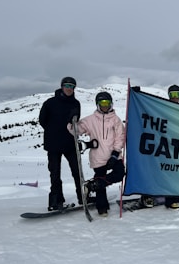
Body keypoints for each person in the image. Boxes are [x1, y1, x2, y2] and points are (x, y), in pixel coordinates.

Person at [68, 91, 125, 217]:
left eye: (107, 103)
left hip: (114, 156)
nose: (105, 105)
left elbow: (120, 137)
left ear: (111, 104)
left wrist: (115, 154)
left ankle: (91, 185)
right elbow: (76, 130)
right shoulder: (90, 120)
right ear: (97, 104)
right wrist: (71, 122)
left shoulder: (116, 120)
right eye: (102, 103)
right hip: (98, 157)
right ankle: (102, 208)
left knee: (120, 174)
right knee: (100, 180)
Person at [39, 76, 82, 211]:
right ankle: (56, 200)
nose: (69, 88)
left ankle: (83, 197)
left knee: (77, 172)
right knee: (55, 174)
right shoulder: (50, 103)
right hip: (53, 144)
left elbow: (76, 122)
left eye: (72, 86)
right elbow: (42, 120)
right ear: (62, 86)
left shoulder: (76, 104)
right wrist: (53, 131)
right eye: (67, 85)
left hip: (70, 143)